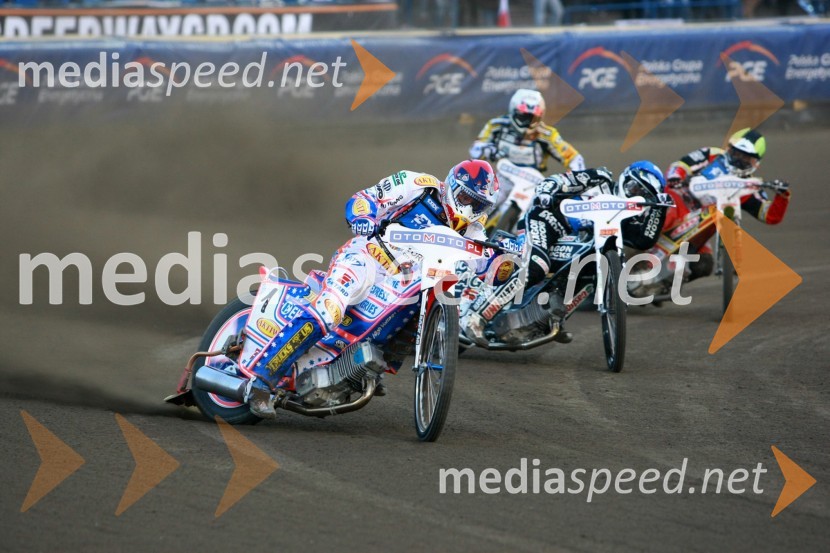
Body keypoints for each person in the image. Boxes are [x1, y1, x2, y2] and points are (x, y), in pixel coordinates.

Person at [248, 160, 500, 418]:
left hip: (404, 281)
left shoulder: (473, 232)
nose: (470, 208)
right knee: (329, 312)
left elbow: (486, 267)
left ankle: (367, 367)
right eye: (466, 198)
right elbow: (365, 197)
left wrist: (502, 259)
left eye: (479, 204)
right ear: (451, 186)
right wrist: (364, 216)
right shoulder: (419, 185)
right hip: (367, 258)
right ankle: (262, 380)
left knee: (419, 312)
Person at [463, 161, 670, 344]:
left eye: (643, 195)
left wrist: (659, 208)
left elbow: (644, 241)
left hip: (581, 242)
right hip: (547, 220)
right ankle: (476, 316)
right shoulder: (601, 178)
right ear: (625, 179)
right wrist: (547, 191)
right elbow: (561, 179)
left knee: (592, 275)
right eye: (634, 188)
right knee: (537, 266)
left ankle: (547, 318)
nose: (636, 196)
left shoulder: (632, 216)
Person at [662, 127, 791, 282]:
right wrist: (675, 177)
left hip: (699, 226)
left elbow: (769, 215)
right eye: (736, 153)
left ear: (756, 161)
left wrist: (782, 196)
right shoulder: (711, 155)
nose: (739, 159)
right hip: (679, 202)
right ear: (729, 149)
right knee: (667, 211)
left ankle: (663, 284)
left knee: (704, 264)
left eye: (746, 157)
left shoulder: (748, 186)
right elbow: (681, 165)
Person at [470, 89, 585, 207]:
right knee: (482, 204)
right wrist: (487, 149)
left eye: (532, 118)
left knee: (535, 215)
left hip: (533, 183)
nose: (527, 123)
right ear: (513, 110)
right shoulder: (496, 125)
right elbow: (476, 149)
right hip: (503, 177)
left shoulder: (547, 134)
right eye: (523, 116)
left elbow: (575, 158)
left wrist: (576, 178)